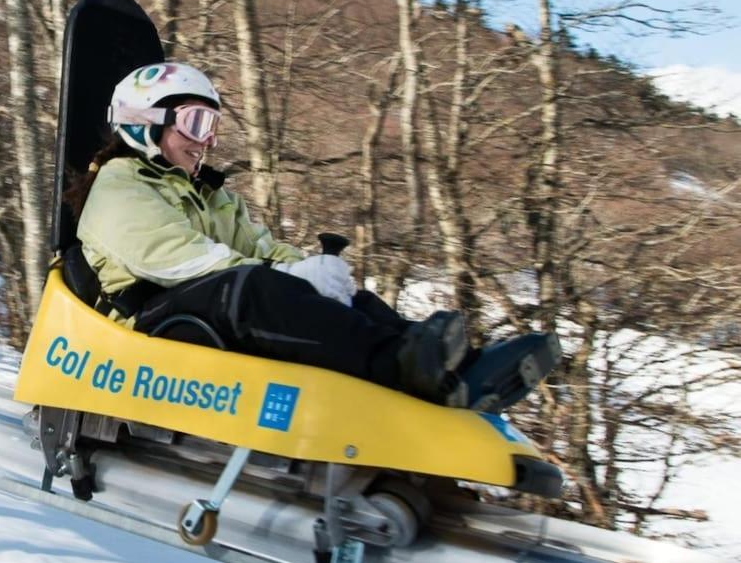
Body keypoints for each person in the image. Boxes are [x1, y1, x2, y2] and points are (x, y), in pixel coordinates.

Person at [65, 62, 557, 410]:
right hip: (144, 328)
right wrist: (285, 276)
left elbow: (259, 247)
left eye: (212, 126)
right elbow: (175, 259)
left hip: (202, 302)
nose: (206, 140)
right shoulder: (117, 186)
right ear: (144, 122)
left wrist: (311, 272)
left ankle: (455, 369)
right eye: (195, 123)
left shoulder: (210, 195)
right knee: (253, 288)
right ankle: (402, 366)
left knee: (343, 299)